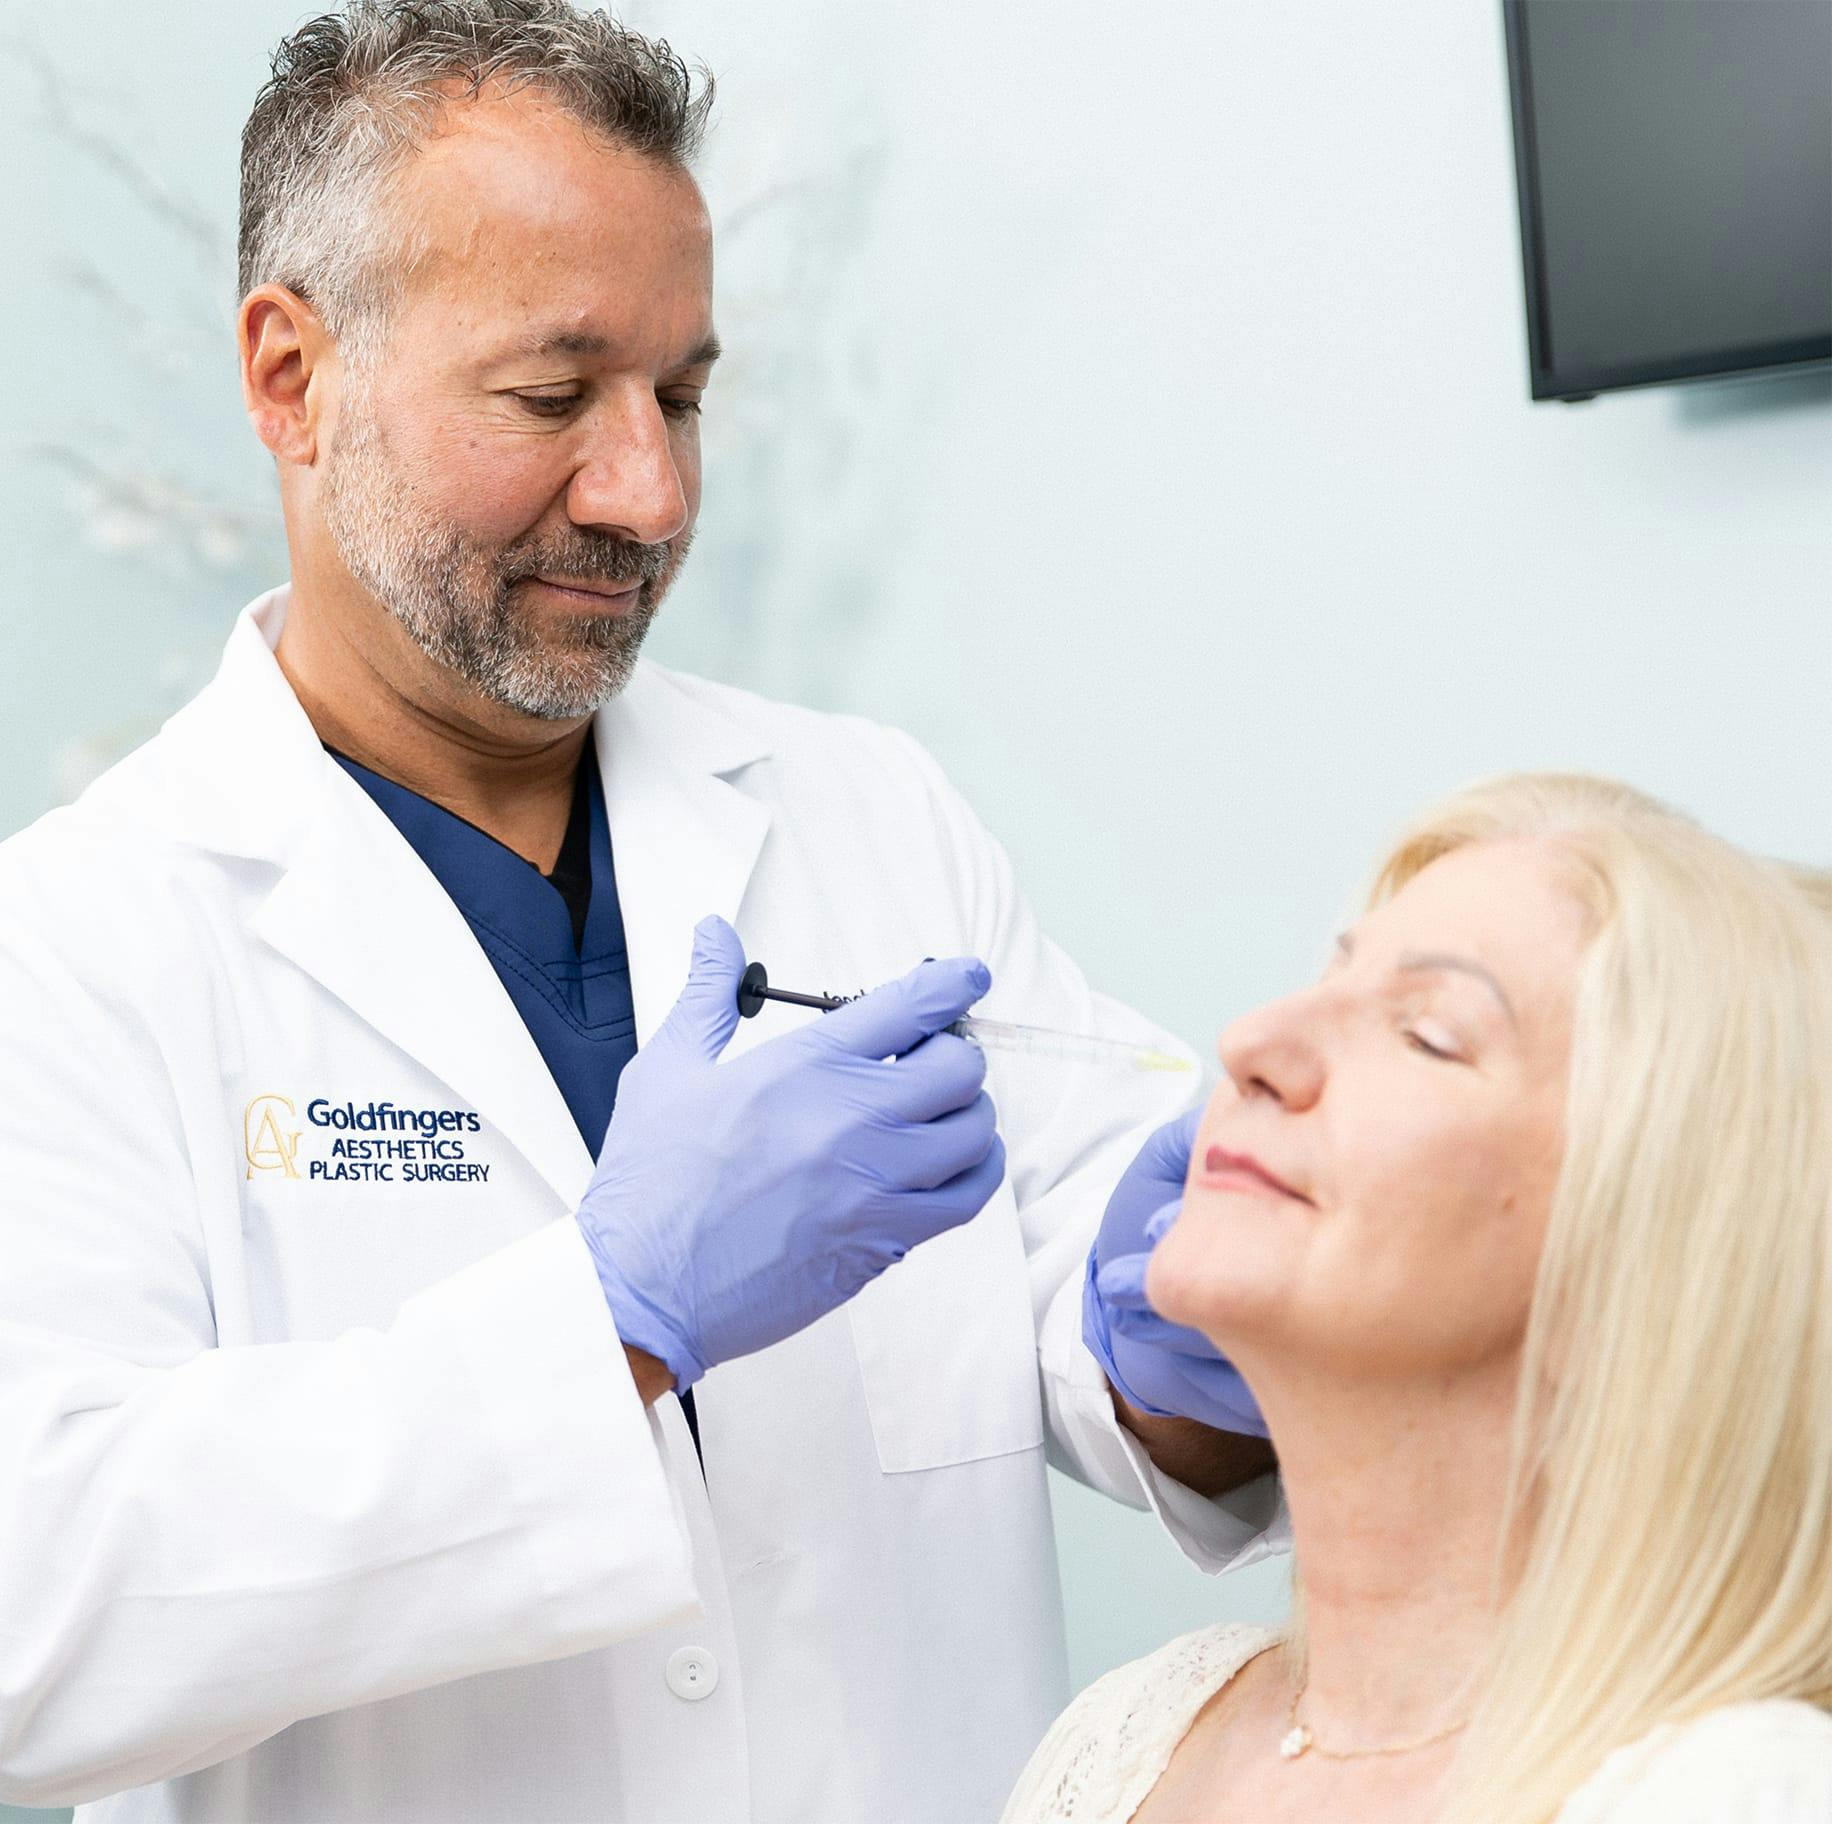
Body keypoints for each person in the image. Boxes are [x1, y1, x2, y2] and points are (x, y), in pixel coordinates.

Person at [0, 5, 1283, 1821]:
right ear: (292, 379)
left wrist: (1201, 1339)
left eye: (679, 396)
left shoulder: (867, 818)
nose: (648, 493)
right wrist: (612, 1317)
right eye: (552, 398)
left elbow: (1101, 1335)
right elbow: (37, 1616)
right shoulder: (74, 945)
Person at [1004, 773, 1832, 1824]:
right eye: (1328, 978)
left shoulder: (1742, 1792)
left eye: (1426, 1033)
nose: (1250, 1044)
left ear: (1638, 1263)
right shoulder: (1134, 1736)